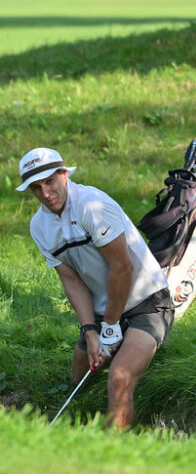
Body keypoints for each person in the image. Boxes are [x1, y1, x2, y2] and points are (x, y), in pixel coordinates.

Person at [16, 147, 174, 429]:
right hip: (103, 310)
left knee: (119, 378)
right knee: (80, 374)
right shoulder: (39, 226)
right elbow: (72, 281)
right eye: (36, 188)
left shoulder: (92, 205)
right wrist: (90, 330)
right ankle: (78, 425)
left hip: (146, 302)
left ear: (64, 175)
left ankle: (110, 456)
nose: (46, 193)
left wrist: (111, 327)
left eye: (50, 181)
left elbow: (122, 268)